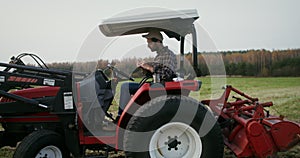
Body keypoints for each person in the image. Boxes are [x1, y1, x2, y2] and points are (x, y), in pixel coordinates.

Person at [116, 30, 177, 121]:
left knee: (126, 87)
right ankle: (128, 115)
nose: (148, 46)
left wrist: (149, 67)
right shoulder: (159, 56)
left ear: (158, 41)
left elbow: (167, 74)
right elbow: (155, 72)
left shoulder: (168, 54)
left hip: (161, 86)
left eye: (149, 43)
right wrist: (143, 68)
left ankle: (121, 118)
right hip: (156, 84)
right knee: (128, 86)